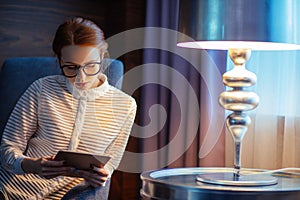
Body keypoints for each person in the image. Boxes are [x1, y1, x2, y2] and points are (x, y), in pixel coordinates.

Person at [0, 17, 137, 200]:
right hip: (12, 192)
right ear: (59, 60)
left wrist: (101, 175)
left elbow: (110, 165)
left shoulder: (125, 106)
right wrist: (32, 165)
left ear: (103, 57)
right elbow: (7, 149)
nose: (81, 77)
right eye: (71, 67)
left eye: (91, 66)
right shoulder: (41, 89)